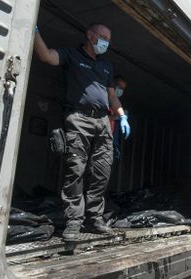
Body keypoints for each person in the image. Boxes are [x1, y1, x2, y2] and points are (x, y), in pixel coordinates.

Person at [34, 23, 130, 241]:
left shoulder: (106, 67)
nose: (106, 42)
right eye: (103, 37)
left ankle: (95, 219)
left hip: (103, 121)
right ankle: (74, 222)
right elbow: (47, 56)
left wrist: (121, 115)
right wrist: (34, 31)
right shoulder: (71, 55)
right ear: (90, 34)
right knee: (75, 170)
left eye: (108, 39)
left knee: (102, 171)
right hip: (78, 119)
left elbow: (112, 96)